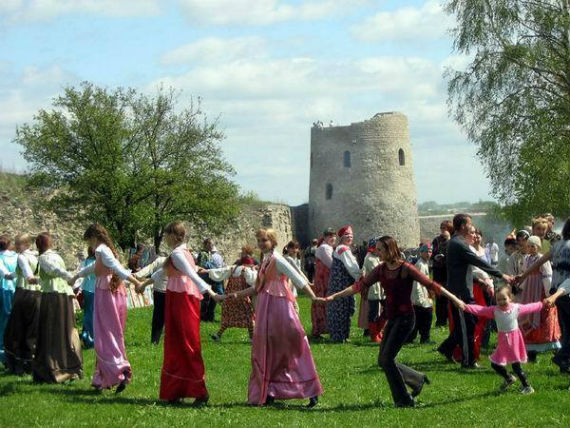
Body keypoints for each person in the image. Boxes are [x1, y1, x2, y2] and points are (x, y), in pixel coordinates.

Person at [326, 235, 457, 407]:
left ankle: (404, 400)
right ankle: (416, 379)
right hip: (392, 318)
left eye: (380, 249)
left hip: (405, 319)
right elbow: (360, 285)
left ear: (389, 249)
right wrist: (335, 296)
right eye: (377, 249)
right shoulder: (381, 269)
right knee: (383, 360)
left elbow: (431, 284)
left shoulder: (406, 268)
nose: (377, 252)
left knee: (387, 359)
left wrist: (455, 299)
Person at [227, 228, 323, 408]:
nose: (261, 243)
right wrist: (236, 295)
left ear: (272, 241)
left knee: (292, 346)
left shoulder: (278, 260)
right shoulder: (265, 261)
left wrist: (313, 297)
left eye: (264, 240)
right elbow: (256, 288)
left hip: (280, 308)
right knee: (268, 349)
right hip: (265, 308)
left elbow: (297, 279)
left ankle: (310, 390)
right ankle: (269, 390)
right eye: (259, 240)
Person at [146, 222, 224, 405]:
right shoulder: (180, 253)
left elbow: (192, 274)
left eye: (167, 235)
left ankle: (199, 391)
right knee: (175, 343)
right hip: (176, 297)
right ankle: (176, 390)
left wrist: (211, 293)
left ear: (174, 235)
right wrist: (142, 284)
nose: (165, 238)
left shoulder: (180, 254)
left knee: (188, 344)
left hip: (184, 299)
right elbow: (163, 271)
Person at [69, 224, 142, 392]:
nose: (90, 245)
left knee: (105, 335)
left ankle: (118, 371)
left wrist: (136, 282)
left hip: (105, 294)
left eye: (89, 241)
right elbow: (94, 268)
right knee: (108, 334)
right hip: (111, 292)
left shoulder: (101, 250)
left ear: (94, 238)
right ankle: (101, 378)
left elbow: (117, 268)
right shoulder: (104, 251)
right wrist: (76, 276)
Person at [437, 214, 513, 368]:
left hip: (464, 290)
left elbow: (467, 270)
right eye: (469, 224)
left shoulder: (458, 242)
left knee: (467, 324)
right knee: (467, 326)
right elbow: (478, 261)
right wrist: (502, 275)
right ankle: (468, 361)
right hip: (460, 293)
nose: (472, 227)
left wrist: (480, 281)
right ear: (463, 226)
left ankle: (447, 348)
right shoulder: (458, 243)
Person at [450, 285, 545, 394]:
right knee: (495, 364)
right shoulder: (494, 311)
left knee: (516, 367)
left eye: (504, 299)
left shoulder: (516, 308)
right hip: (503, 342)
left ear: (510, 298)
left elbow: (530, 307)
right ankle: (509, 378)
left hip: (514, 342)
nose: (501, 302)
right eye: (498, 299)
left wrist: (542, 304)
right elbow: (480, 310)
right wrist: (465, 307)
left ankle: (528, 387)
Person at [517, 218, 570, 375]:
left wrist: (523, 275)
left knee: (566, 329)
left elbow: (540, 261)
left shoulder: (559, 244)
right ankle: (562, 357)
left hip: (556, 292)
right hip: (565, 292)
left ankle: (564, 365)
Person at [32, 232, 83, 383]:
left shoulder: (44, 258)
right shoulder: (57, 256)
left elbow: (54, 271)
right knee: (66, 332)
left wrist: (70, 277)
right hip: (63, 297)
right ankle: (70, 367)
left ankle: (55, 369)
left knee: (51, 334)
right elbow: (50, 276)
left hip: (52, 298)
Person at [516, 236, 560, 361]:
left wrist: (547, 292)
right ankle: (531, 351)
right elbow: (524, 272)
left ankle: (554, 347)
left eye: (533, 246)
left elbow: (547, 275)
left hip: (538, 289)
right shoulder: (526, 258)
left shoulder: (542, 259)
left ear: (538, 246)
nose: (530, 248)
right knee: (528, 315)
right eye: (529, 246)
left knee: (542, 315)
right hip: (529, 290)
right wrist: (521, 286)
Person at [3, 234, 40, 374]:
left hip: (23, 294)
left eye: (19, 244)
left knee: (16, 331)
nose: (17, 247)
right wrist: (8, 275)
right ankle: (30, 364)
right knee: (32, 330)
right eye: (16, 244)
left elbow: (26, 272)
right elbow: (18, 272)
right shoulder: (36, 257)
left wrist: (31, 278)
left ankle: (18, 366)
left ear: (27, 244)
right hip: (36, 295)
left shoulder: (22, 257)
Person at [203, 248, 257, 342]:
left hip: (229, 299)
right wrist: (255, 271)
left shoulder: (232, 268)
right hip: (241, 298)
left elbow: (220, 271)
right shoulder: (246, 270)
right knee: (249, 317)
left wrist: (207, 271)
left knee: (227, 319)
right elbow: (253, 280)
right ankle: (252, 338)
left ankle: (218, 335)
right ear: (248, 263)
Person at [327, 225, 362, 343]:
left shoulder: (342, 248)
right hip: (341, 284)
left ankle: (342, 336)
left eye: (351, 235)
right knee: (341, 309)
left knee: (342, 309)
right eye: (347, 235)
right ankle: (339, 337)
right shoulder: (343, 249)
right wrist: (361, 277)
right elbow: (352, 267)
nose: (350, 237)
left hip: (339, 284)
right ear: (341, 237)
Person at [133, 254, 167, 345]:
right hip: (171, 291)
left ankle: (155, 341)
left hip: (159, 290)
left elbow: (149, 268)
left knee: (158, 317)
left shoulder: (160, 260)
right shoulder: (175, 259)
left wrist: (136, 275)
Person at [407, 244, 434, 344]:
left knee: (418, 318)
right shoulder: (420, 264)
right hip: (420, 295)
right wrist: (420, 297)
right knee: (426, 317)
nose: (428, 254)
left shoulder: (425, 263)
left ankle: (412, 337)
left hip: (423, 294)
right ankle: (424, 338)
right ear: (421, 252)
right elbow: (417, 283)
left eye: (430, 251)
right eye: (426, 251)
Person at [311, 229, 335, 338]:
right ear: (325, 237)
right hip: (323, 280)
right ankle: (320, 328)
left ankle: (324, 328)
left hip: (324, 279)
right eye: (330, 236)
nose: (333, 238)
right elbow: (331, 264)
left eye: (334, 236)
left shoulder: (326, 247)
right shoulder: (324, 248)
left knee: (324, 302)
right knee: (323, 301)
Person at [197, 238, 225, 322]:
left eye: (212, 244)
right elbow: (202, 267)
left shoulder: (208, 254)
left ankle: (209, 315)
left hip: (210, 278)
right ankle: (203, 316)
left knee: (213, 297)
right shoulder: (203, 254)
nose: (212, 246)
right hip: (205, 278)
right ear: (205, 245)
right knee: (205, 298)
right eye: (210, 244)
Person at [362, 238, 384, 343]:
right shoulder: (370, 258)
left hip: (380, 288)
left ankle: (378, 331)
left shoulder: (375, 257)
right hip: (373, 289)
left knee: (382, 311)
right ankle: (374, 335)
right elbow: (378, 272)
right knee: (374, 312)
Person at [0, 235, 17, 364]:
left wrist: (8, 275)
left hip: (4, 287)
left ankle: (2, 346)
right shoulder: (16, 257)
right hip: (16, 288)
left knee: (4, 317)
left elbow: (3, 272)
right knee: (12, 316)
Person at [431, 221, 453, 326]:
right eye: (442, 228)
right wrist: (436, 257)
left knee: (450, 297)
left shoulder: (453, 240)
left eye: (446, 228)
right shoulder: (436, 240)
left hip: (449, 272)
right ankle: (440, 321)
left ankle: (451, 319)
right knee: (440, 297)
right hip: (439, 272)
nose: (443, 230)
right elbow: (432, 253)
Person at [77, 246, 96, 349]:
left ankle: (85, 333)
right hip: (95, 288)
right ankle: (90, 337)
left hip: (86, 288)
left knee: (87, 312)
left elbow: (82, 274)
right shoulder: (97, 262)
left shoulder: (85, 262)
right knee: (93, 314)